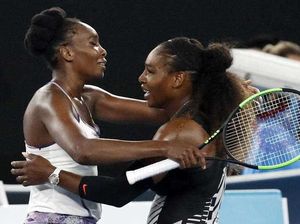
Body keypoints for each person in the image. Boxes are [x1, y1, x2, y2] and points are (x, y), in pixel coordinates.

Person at [12, 36, 256, 223]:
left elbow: (118, 192)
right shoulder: (207, 119)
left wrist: (52, 174)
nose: (141, 78)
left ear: (178, 79)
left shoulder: (178, 133)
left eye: (151, 71)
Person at [16, 7, 207, 224]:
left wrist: (221, 91)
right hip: (51, 218)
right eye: (93, 43)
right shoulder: (48, 98)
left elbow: (166, 111)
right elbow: (83, 150)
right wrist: (165, 147)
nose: (102, 50)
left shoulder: (90, 97)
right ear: (67, 52)